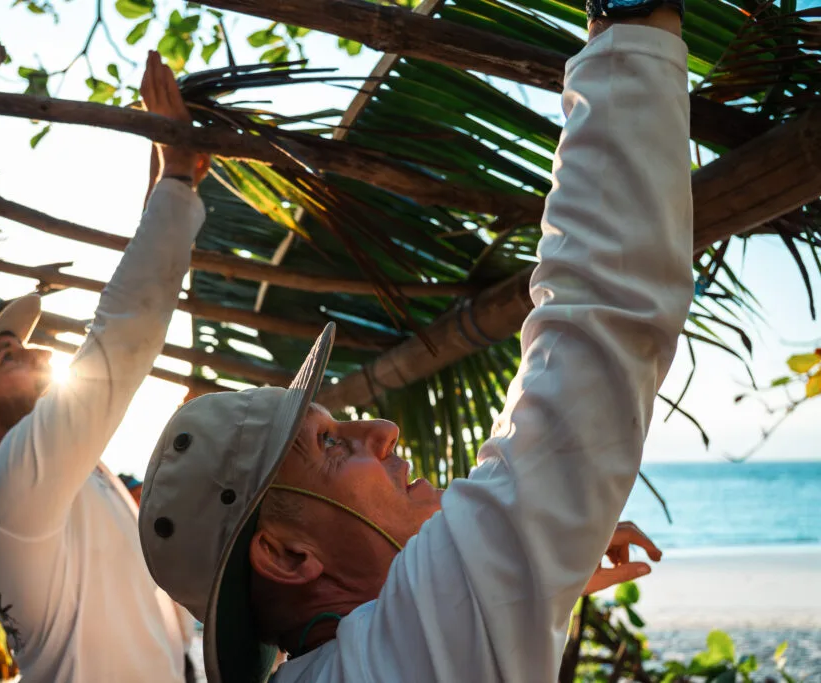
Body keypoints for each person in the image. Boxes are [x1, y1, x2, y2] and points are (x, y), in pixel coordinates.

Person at [139, 5, 693, 682]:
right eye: (330, 445)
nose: (382, 431)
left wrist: (516, 580)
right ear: (286, 555)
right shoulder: (411, 646)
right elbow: (600, 317)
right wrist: (631, 22)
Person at [0, 50, 210, 682]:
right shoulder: (4, 496)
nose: (42, 354)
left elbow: (124, 331)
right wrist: (177, 178)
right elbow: (120, 341)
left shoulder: (58, 474)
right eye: (9, 357)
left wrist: (165, 182)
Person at [120, 472, 200, 683]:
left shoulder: (160, 540)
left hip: (180, 652)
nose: (145, 503)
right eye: (138, 495)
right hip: (152, 657)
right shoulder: (123, 549)